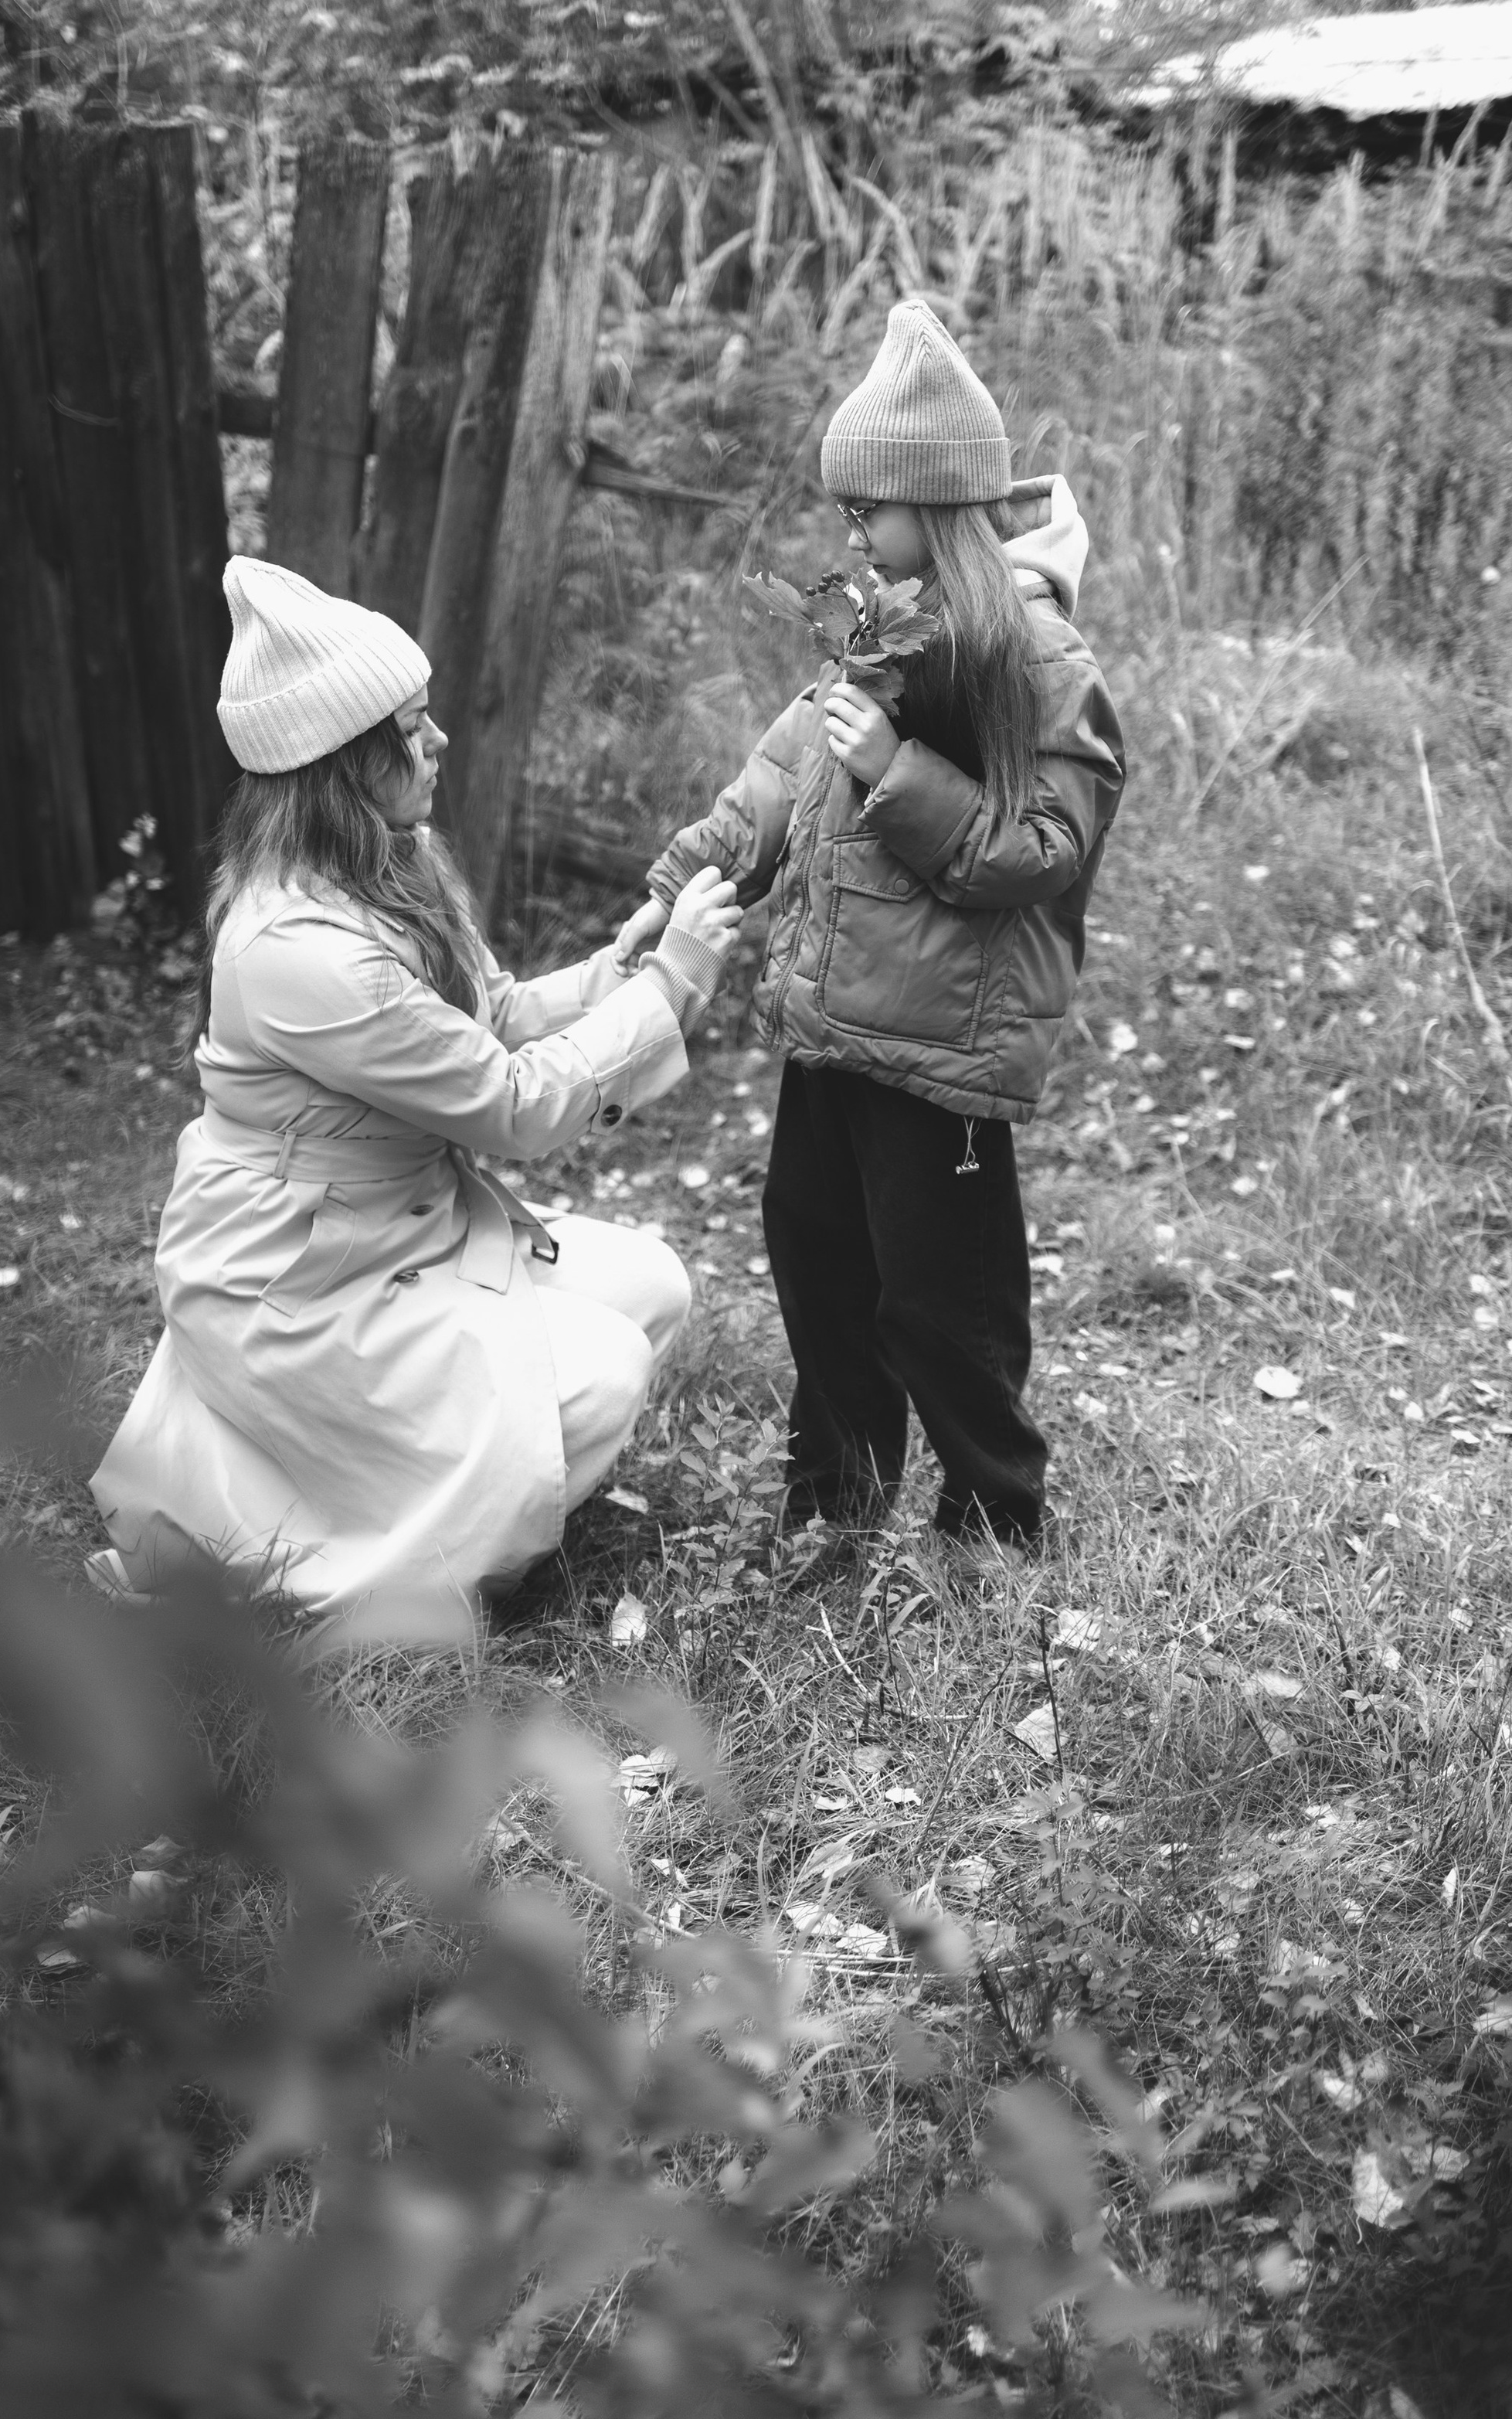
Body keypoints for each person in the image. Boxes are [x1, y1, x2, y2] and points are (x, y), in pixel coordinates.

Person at [89, 557, 740, 1647]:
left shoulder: (394, 861)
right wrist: (671, 987)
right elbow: (512, 1108)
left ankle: (438, 1498)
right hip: (303, 1277)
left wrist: (623, 971)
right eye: (410, 728)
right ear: (342, 765)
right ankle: (411, 1586)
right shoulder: (296, 947)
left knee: (652, 1287)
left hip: (404, 1229)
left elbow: (494, 1013)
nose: (437, 741)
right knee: (608, 1369)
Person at [632, 300, 1124, 1557]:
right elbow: (776, 785)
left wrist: (902, 774)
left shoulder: (1037, 663)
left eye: (870, 508)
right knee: (816, 1260)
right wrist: (681, 885)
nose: (850, 528)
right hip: (832, 1026)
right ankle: (832, 1507)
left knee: (941, 1300)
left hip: (938, 1050)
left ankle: (995, 1519)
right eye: (846, 507)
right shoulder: (876, 631)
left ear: (938, 503)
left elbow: (1047, 850)